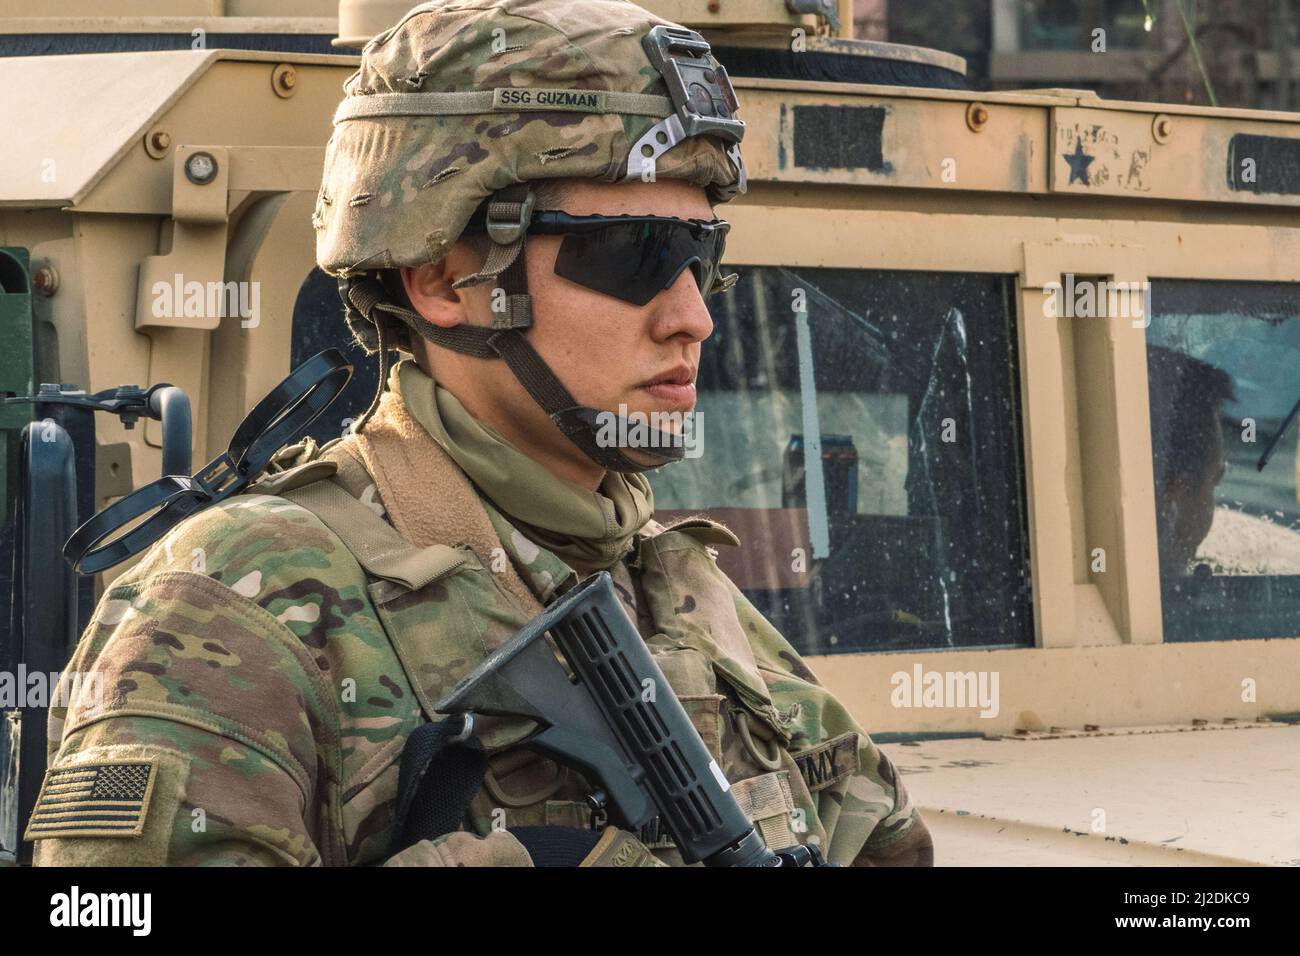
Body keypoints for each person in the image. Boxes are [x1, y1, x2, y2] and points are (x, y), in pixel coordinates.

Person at [32, 0, 932, 867]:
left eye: (702, 256)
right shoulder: (242, 600)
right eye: (634, 255)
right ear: (443, 279)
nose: (692, 316)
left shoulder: (682, 592)